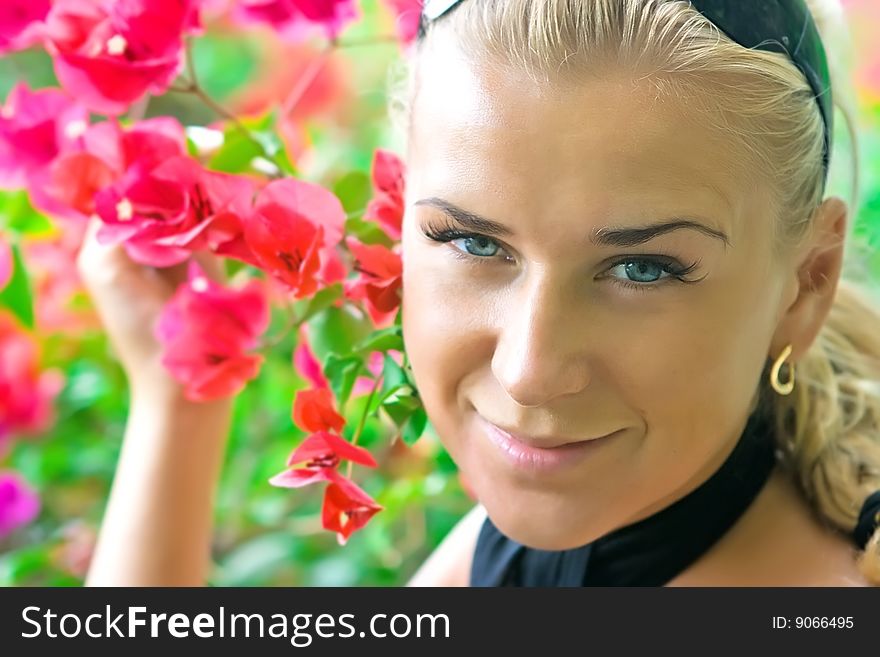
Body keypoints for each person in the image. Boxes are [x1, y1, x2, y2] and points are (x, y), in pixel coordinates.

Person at [80, 0, 880, 587]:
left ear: (806, 284)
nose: (530, 370)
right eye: (473, 242)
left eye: (643, 269)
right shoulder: (602, 518)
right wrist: (178, 388)